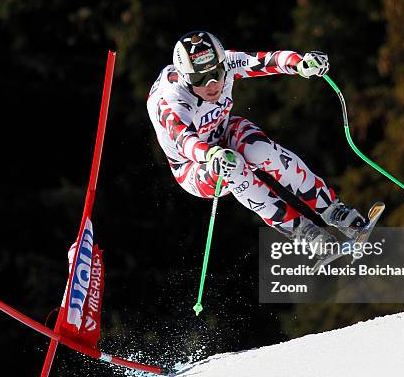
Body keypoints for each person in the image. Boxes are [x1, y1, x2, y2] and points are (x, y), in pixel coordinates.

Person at [146, 31, 368, 251]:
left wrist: (301, 63)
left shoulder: (228, 63)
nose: (212, 83)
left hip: (224, 131)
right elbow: (183, 140)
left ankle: (333, 210)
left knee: (262, 151)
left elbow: (267, 61)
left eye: (216, 72)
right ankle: (301, 230)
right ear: (185, 77)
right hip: (193, 166)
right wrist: (210, 155)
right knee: (232, 165)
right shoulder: (172, 97)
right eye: (199, 78)